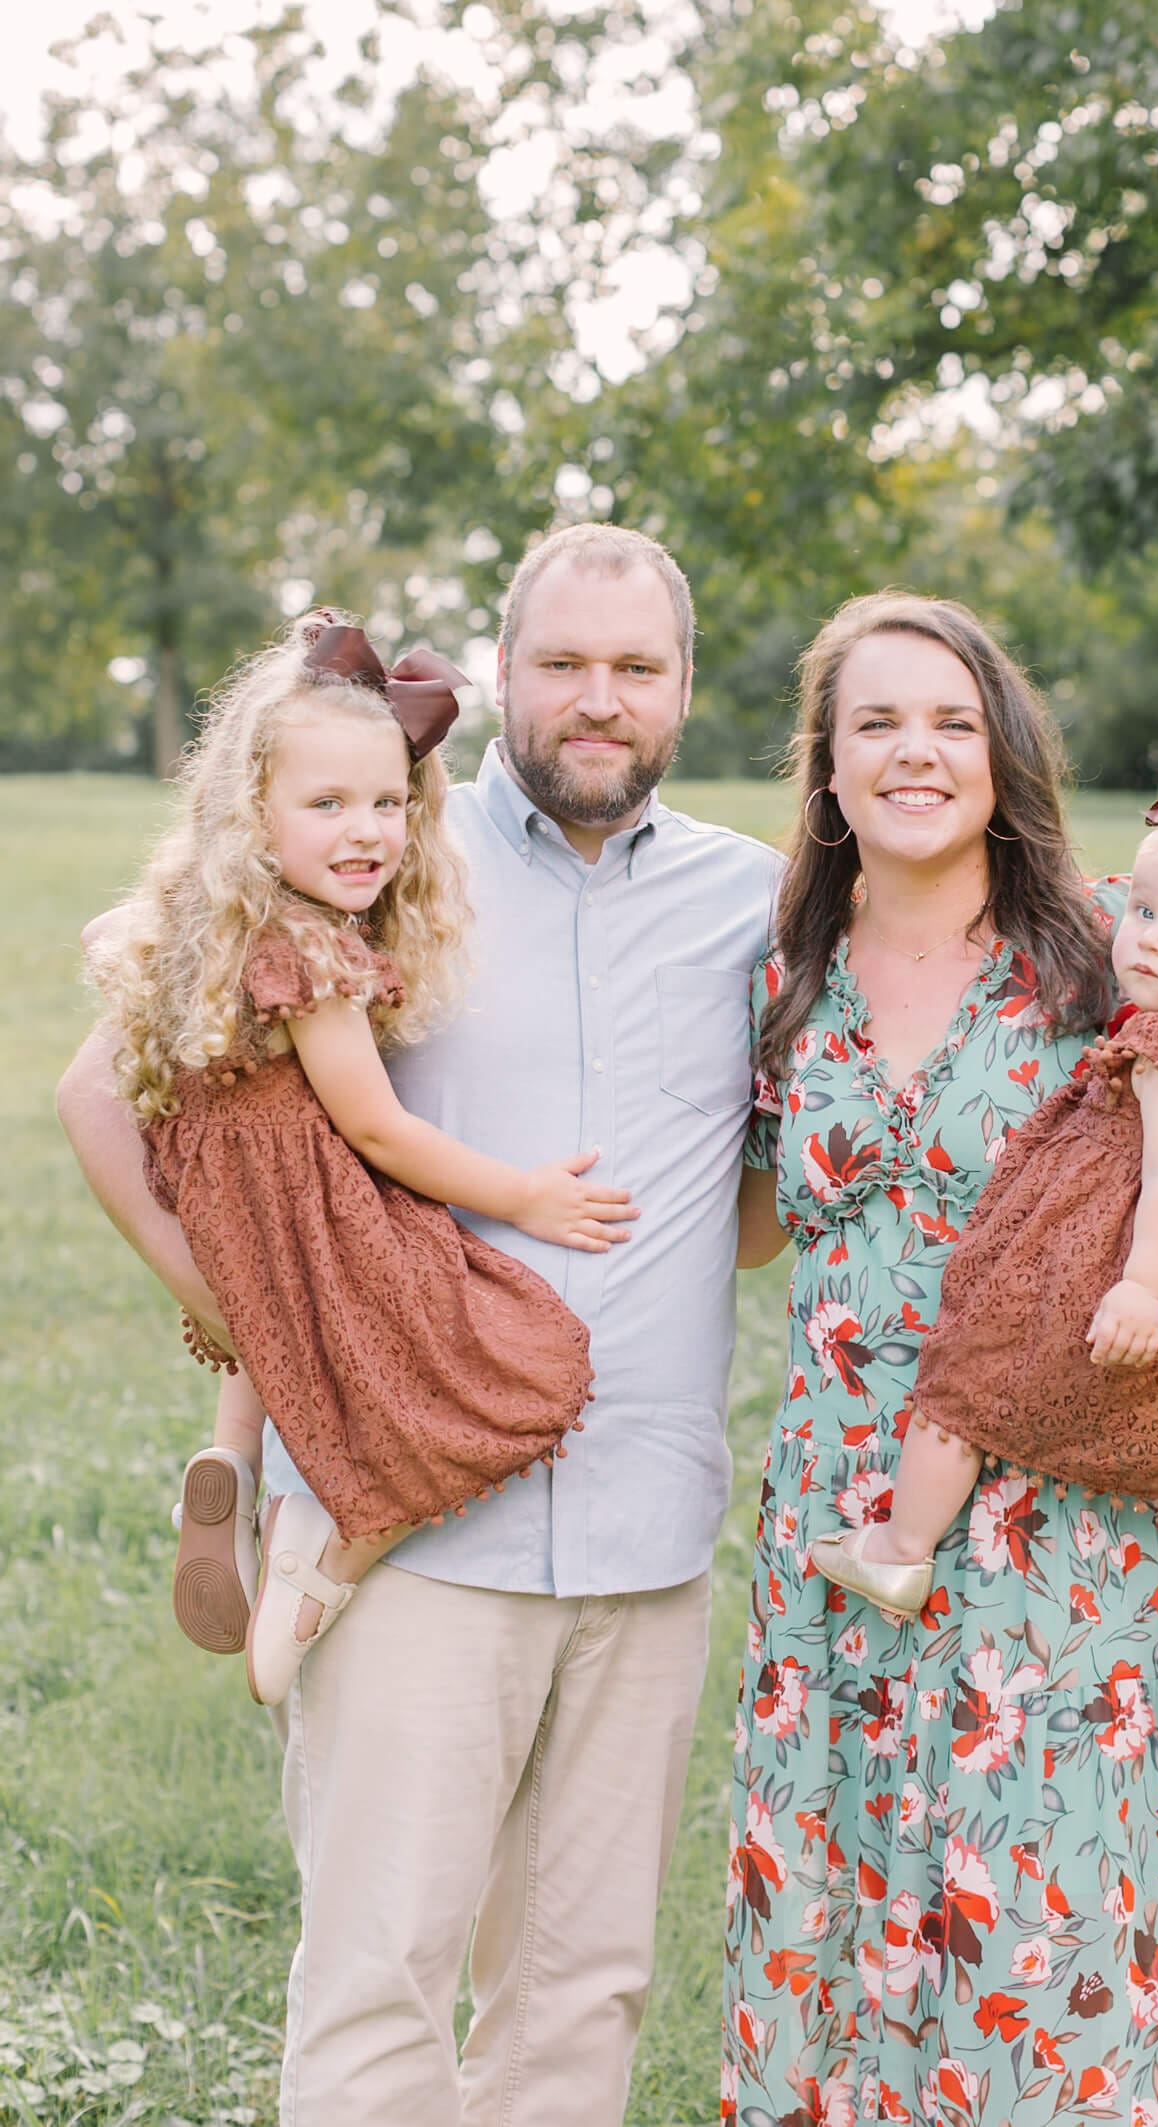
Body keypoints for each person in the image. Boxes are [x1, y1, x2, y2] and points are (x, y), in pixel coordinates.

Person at [57, 522, 783, 2127]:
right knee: (379, 1972)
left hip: (645, 1527)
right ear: (501, 671)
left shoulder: (755, 899)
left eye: (635, 667)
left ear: (680, 687)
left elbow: (798, 1162)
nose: (599, 699)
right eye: (563, 663)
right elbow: (107, 1088)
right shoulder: (386, 859)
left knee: (578, 1989)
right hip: (408, 1535)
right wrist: (249, 1322)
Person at [727, 593, 1158, 2127]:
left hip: (1064, 1531)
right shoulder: (778, 970)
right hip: (846, 1517)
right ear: (825, 767)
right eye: (874, 720)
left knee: (1041, 1947)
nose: (915, 750)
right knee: (844, 1931)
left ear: (1002, 757)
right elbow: (754, 1223)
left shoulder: (1114, 947)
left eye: (951, 719)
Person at [88, 612, 621, 1707]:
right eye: (326, 805)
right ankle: (326, 1567)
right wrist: (523, 1196)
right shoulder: (313, 955)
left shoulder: (210, 921)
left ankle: (231, 1463)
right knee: (510, 1371)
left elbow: (107, 983)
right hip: (312, 1212)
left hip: (228, 1215)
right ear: (254, 817)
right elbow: (377, 1130)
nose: (367, 831)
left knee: (280, 1333)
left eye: (387, 803)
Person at [812, 754, 1158, 1740]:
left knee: (967, 1385)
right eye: (1141, 912)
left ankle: (900, 1541)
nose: (1144, 941)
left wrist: (1144, 1287)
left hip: (1121, 1275)